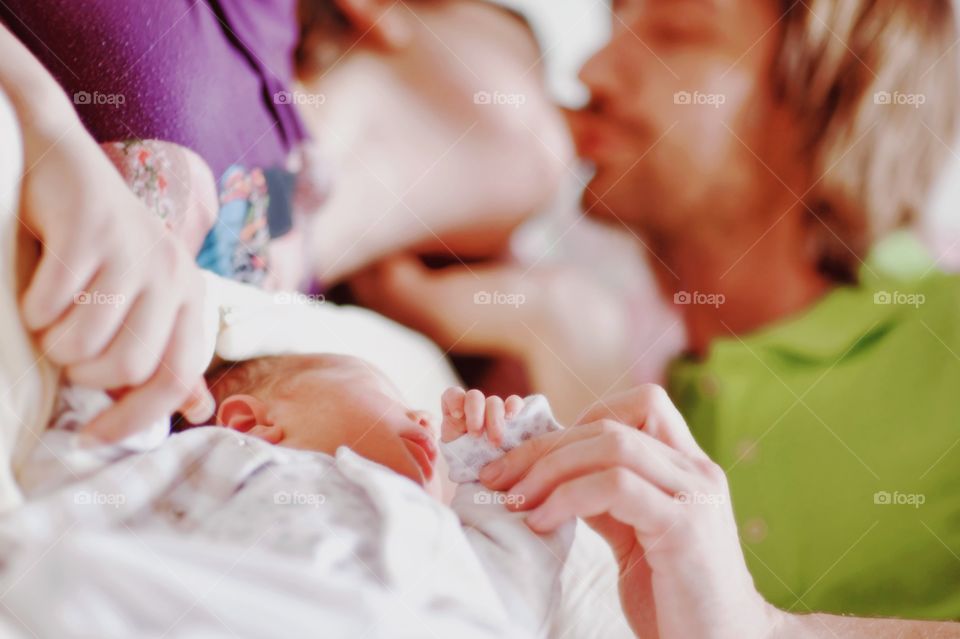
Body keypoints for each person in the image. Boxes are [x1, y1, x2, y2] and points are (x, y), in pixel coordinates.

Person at [351, 0, 960, 630]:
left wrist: (769, 629)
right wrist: (565, 333)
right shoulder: (643, 389)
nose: (592, 74)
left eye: (675, 34)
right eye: (614, 26)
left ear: (836, 96)